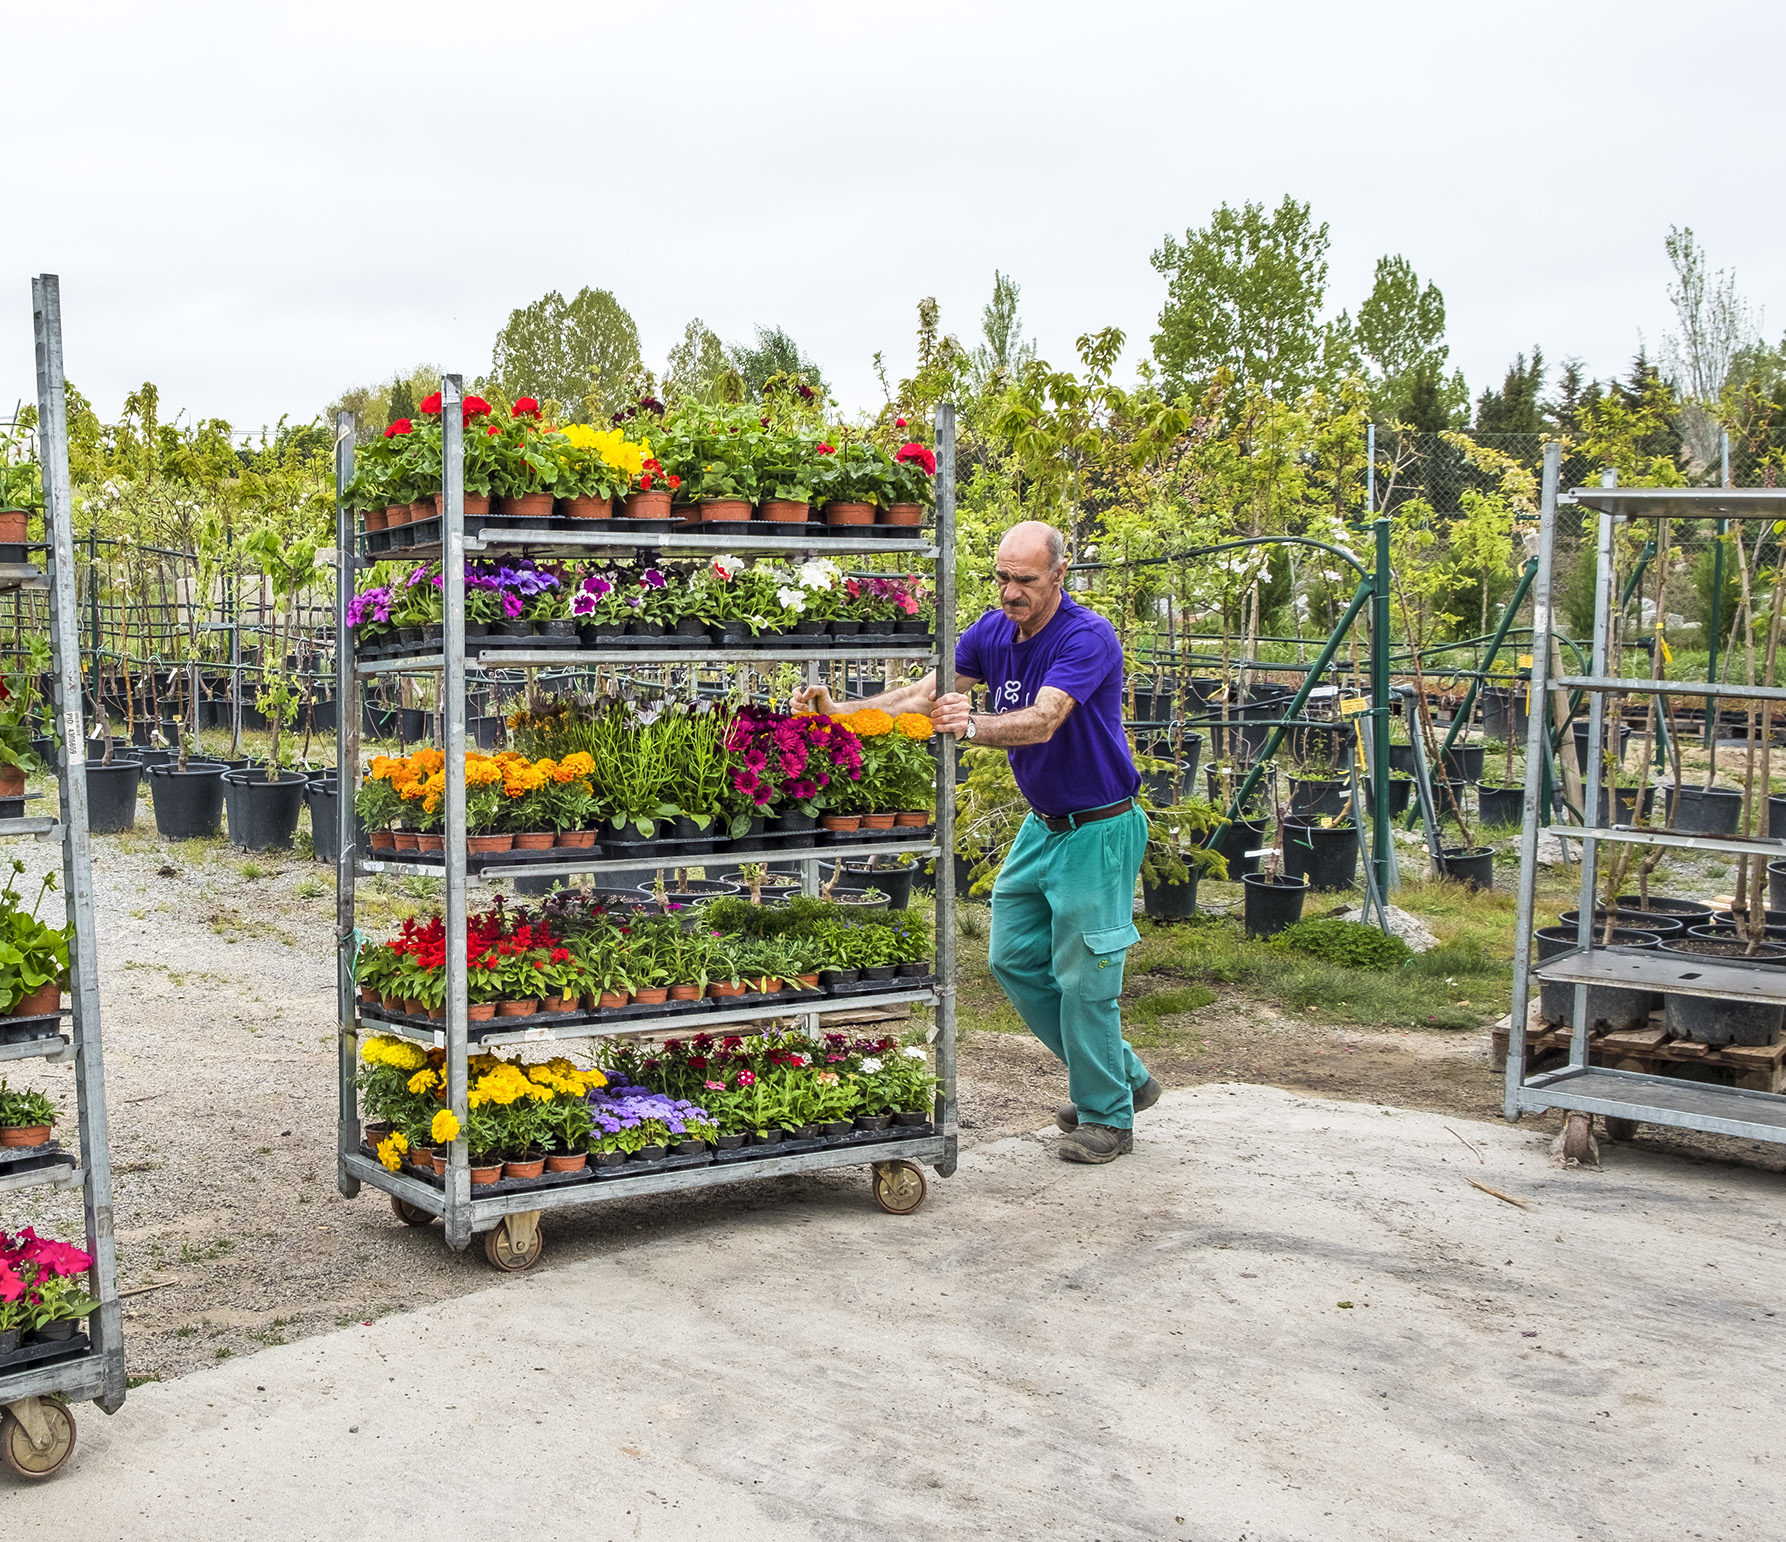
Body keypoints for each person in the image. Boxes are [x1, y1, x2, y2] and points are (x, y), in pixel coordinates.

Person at [792, 520, 1159, 1163]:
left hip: (1098, 827)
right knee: (1013, 959)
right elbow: (926, 693)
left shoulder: (1087, 636)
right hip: (1044, 823)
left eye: (1025, 580)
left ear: (1058, 576)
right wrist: (840, 714)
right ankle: (1121, 1075)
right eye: (1001, 577)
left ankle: (1108, 1118)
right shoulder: (993, 631)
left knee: (1084, 978)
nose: (1010, 591)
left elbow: (1045, 719)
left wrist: (974, 726)